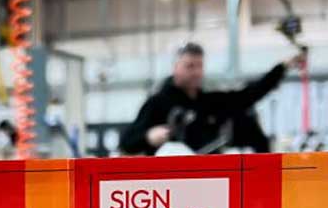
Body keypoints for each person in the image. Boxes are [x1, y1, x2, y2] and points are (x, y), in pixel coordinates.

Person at [119, 42, 304, 155]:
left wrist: (282, 68)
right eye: (189, 66)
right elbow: (127, 142)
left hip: (208, 182)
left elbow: (248, 95)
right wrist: (148, 137)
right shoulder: (158, 103)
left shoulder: (208, 102)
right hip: (169, 184)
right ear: (176, 67)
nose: (196, 72)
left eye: (199, 66)